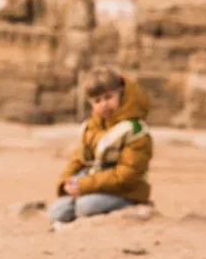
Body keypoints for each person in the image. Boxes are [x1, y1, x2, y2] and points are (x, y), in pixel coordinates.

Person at [48, 67, 153, 225]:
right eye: (98, 101)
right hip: (94, 182)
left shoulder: (135, 130)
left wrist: (84, 186)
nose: (104, 104)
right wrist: (66, 183)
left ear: (121, 93)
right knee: (58, 210)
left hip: (125, 190)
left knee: (85, 207)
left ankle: (133, 205)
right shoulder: (93, 126)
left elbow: (127, 174)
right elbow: (78, 158)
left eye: (108, 97)